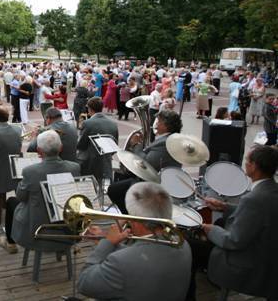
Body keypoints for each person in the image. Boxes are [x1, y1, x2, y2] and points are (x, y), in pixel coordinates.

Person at [187, 146, 278, 300]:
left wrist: (211, 229)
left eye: (247, 161)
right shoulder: (271, 189)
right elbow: (258, 215)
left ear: (254, 166)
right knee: (223, 221)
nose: (245, 164)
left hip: (249, 263)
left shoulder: (253, 200)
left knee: (190, 247)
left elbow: (233, 241)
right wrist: (224, 207)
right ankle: (209, 269)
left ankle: (190, 296)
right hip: (266, 251)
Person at [77, 182, 191, 300]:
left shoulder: (121, 262)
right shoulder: (183, 244)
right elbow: (143, 256)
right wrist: (103, 241)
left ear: (136, 220)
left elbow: (84, 283)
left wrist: (107, 243)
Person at [0, 130, 80, 253]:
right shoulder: (74, 167)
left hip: (37, 228)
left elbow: (21, 197)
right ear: (61, 148)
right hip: (65, 224)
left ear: (39, 151)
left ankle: (11, 243)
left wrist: (22, 182)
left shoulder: (30, 171)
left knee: (11, 202)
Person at [107, 109, 182, 214]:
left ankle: (132, 217)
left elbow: (145, 164)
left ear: (166, 125)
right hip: (152, 179)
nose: (155, 123)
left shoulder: (165, 143)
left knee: (113, 190)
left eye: (158, 121)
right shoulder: (167, 138)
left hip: (151, 183)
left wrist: (136, 144)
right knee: (121, 177)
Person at [76, 97, 119, 184]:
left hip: (89, 163)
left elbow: (81, 145)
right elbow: (115, 145)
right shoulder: (113, 123)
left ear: (89, 109)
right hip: (106, 162)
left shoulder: (87, 123)